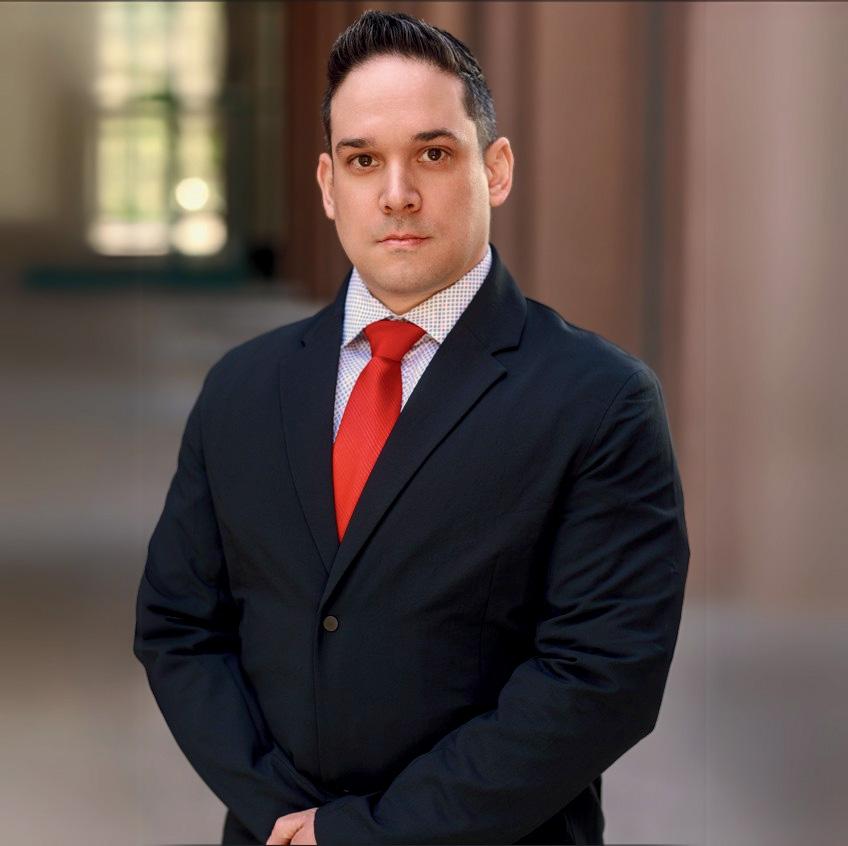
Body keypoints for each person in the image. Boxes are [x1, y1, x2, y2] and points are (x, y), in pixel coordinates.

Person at [134, 10, 689, 846]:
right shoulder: (242, 390)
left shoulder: (600, 401)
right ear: (329, 185)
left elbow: (601, 678)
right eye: (364, 161)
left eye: (433, 154)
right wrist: (283, 814)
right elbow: (180, 627)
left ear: (495, 170)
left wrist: (365, 834)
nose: (397, 193)